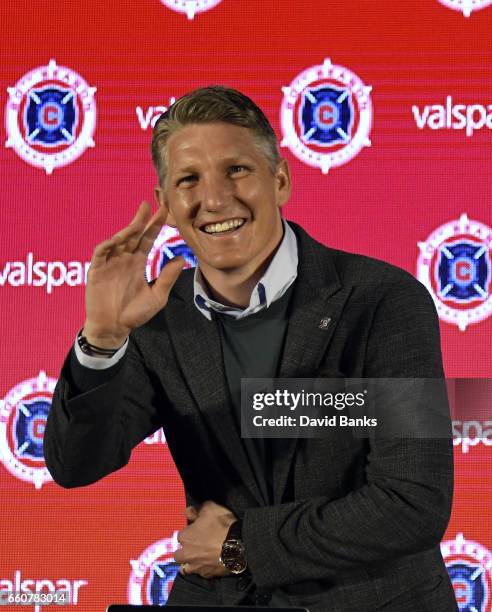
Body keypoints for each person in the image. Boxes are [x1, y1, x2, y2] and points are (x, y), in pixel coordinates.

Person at [44, 86, 458, 610]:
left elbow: (412, 502)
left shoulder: (385, 301)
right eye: (189, 179)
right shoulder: (156, 321)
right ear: (168, 204)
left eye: (236, 170)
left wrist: (242, 545)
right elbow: (75, 466)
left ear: (280, 180)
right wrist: (102, 340)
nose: (215, 199)